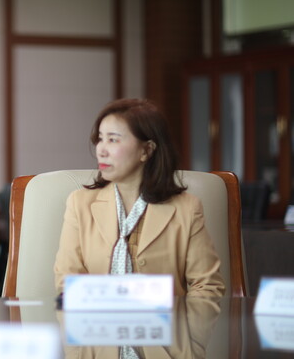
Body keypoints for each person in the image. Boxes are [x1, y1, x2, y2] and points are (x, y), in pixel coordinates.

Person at [53, 98, 224, 297]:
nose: (101, 149)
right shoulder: (79, 203)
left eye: (113, 140)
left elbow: (207, 287)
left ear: (146, 150)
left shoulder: (187, 208)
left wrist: (177, 319)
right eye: (100, 138)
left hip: (169, 317)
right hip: (95, 316)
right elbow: (67, 283)